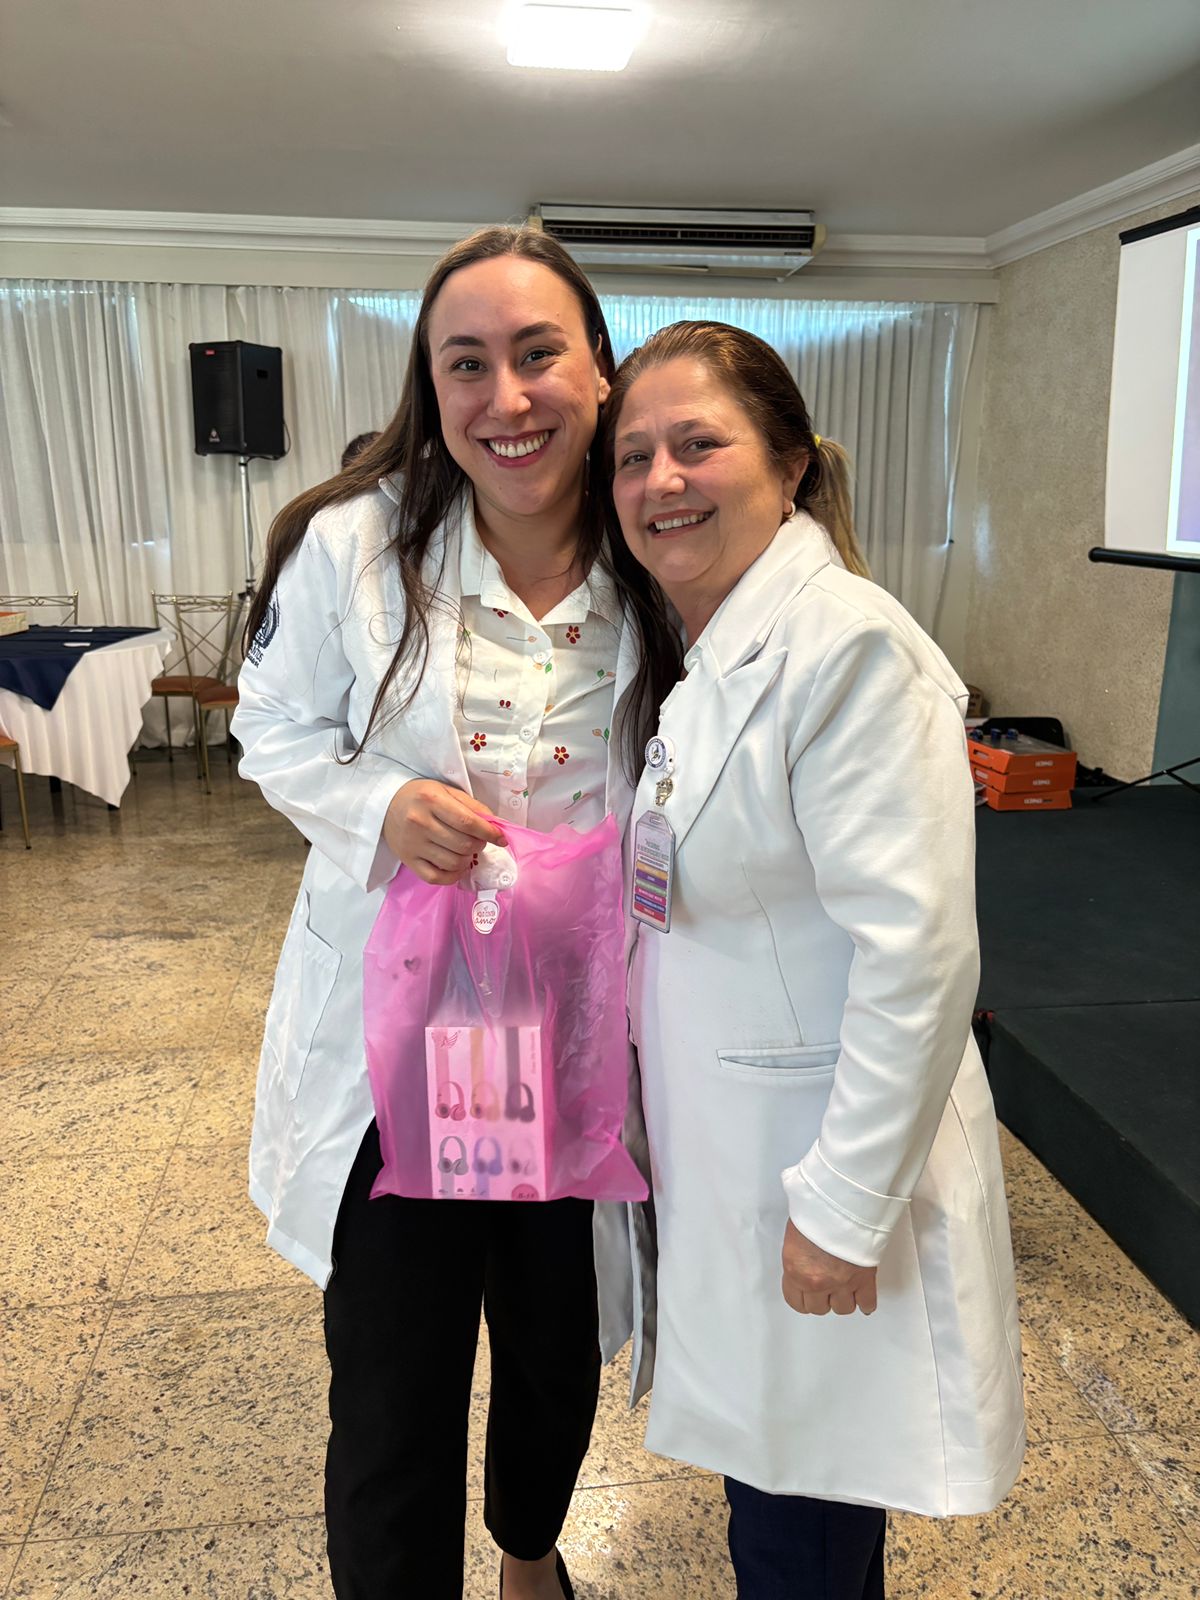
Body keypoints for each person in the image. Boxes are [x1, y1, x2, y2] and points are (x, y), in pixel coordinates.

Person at [231, 227, 659, 1600]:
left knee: (551, 1338)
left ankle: (531, 1551)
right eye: (465, 364)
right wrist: (378, 806)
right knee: (396, 1368)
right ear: (431, 386)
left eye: (539, 354)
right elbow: (270, 727)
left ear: (601, 368)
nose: (506, 397)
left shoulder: (657, 547)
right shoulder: (355, 545)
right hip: (407, 1034)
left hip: (568, 1031)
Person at [603, 321, 1026, 1600]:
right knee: (779, 1484)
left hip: (817, 1167)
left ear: (789, 465)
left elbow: (919, 956)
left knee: (804, 1518)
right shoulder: (718, 648)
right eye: (632, 456)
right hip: (738, 1148)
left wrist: (843, 1207)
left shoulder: (846, 647)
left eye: (698, 443)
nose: (662, 480)